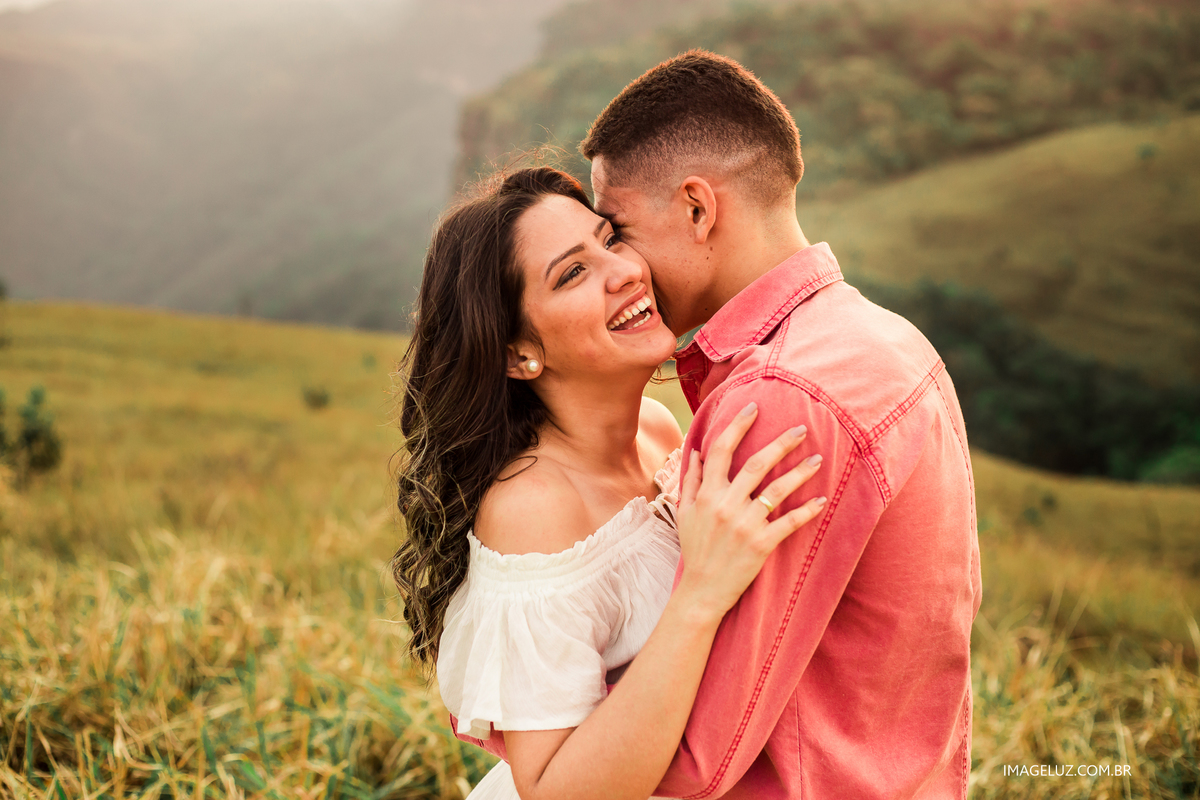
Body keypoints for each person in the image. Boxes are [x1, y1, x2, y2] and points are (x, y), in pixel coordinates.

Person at [573, 51, 983, 798]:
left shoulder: (781, 398)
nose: (620, 268)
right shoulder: (890, 339)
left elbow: (696, 760)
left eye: (618, 229)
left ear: (698, 208)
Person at [391, 166, 829, 800]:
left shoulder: (655, 426)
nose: (625, 271)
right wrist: (700, 595)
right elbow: (552, 791)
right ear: (519, 354)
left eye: (609, 239)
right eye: (572, 273)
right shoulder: (533, 509)